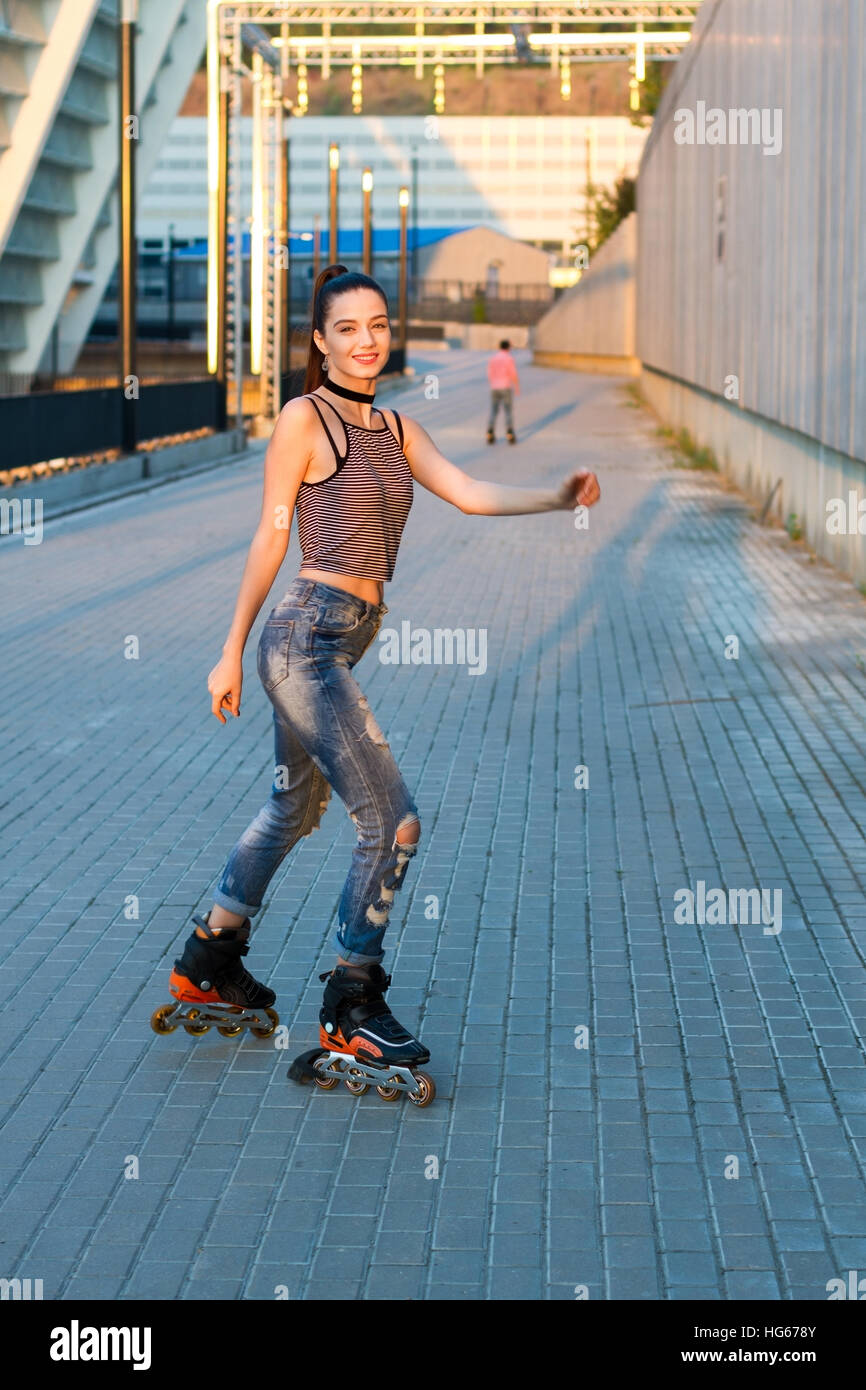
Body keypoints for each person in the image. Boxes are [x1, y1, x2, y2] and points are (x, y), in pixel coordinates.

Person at [163, 264, 600, 1084]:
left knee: (293, 806)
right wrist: (229, 647)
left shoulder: (397, 430)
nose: (368, 342)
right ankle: (351, 1000)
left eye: (379, 326)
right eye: (349, 329)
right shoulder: (305, 418)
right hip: (304, 641)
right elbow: (270, 535)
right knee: (394, 820)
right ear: (321, 342)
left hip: (343, 639)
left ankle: (208, 956)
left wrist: (557, 495)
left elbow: (468, 492)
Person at [487, 338, 520, 444]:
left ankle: (490, 432)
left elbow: (490, 373)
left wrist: (493, 383)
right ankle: (510, 433)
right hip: (505, 386)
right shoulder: (509, 358)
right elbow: (513, 373)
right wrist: (516, 387)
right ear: (508, 347)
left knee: (494, 410)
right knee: (508, 411)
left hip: (494, 387)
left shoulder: (493, 358)